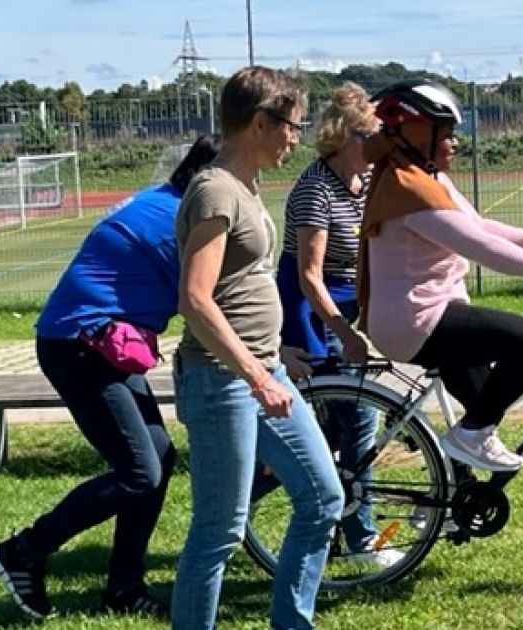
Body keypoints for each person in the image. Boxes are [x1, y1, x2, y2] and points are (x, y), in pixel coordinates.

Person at [0, 134, 220, 620]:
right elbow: (204, 300)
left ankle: (123, 588)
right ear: (208, 179)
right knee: (140, 471)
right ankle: (23, 551)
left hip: (94, 341)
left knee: (156, 456)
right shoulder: (173, 224)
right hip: (80, 345)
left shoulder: (164, 201)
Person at [171, 65, 343, 630]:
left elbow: (242, 287)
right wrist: (255, 375)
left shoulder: (245, 185)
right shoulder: (216, 190)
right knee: (219, 530)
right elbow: (196, 299)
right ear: (262, 121)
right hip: (223, 382)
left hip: (263, 371)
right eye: (292, 126)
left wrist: (273, 357)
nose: (297, 139)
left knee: (322, 499)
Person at [358, 80, 523, 472]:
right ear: (419, 133)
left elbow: (478, 226)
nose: (454, 143)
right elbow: (479, 247)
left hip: (428, 316)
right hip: (416, 322)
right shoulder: (409, 190)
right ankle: (470, 436)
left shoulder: (425, 178)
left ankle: (449, 498)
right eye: (446, 135)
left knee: (484, 406)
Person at [272, 81, 402, 567]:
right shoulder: (315, 189)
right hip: (311, 310)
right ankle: (360, 540)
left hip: (346, 307)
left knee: (340, 430)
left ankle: (324, 530)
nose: (380, 143)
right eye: (372, 134)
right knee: (352, 421)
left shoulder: (365, 182)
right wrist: (345, 333)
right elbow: (308, 276)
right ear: (347, 136)